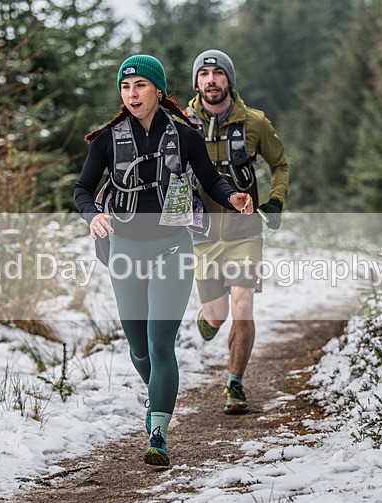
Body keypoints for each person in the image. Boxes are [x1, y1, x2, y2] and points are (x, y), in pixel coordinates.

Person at [73, 54, 254, 466]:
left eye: (140, 85)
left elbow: (210, 180)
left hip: (173, 247)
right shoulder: (107, 140)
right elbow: (82, 189)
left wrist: (233, 197)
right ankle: (158, 394)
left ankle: (158, 433)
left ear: (158, 90)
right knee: (139, 350)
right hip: (125, 250)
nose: (132, 94)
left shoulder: (185, 136)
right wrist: (93, 215)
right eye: (125, 87)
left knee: (159, 343)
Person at [186, 50, 289, 415]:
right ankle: (210, 318)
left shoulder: (254, 122)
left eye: (218, 73)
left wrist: (275, 201)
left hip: (245, 230)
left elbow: (280, 164)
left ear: (229, 80)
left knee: (242, 306)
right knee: (217, 316)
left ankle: (235, 383)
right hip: (202, 234)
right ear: (196, 82)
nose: (211, 80)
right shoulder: (181, 124)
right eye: (204, 74)